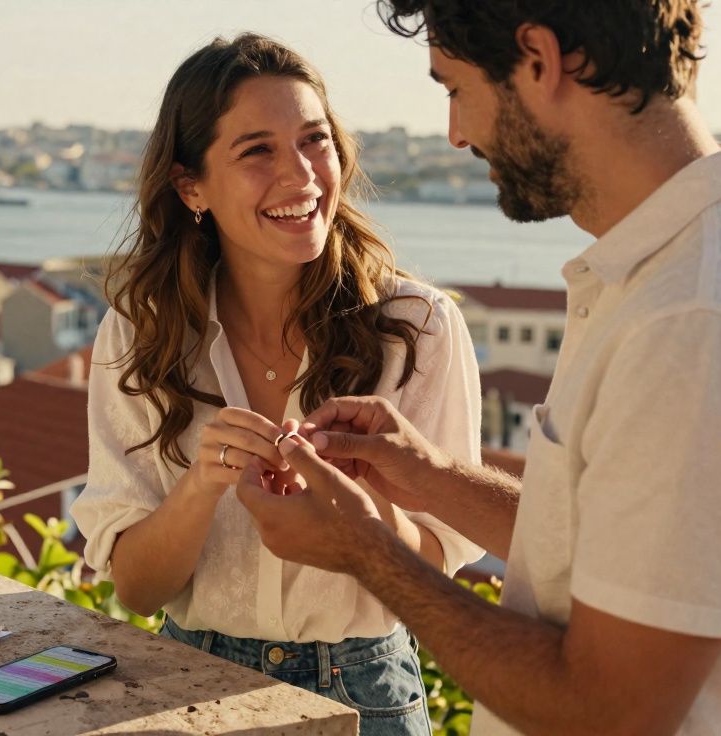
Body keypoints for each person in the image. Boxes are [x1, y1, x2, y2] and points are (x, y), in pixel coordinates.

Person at [235, 2, 721, 734]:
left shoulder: (697, 319)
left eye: (455, 89)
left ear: (539, 60)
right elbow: (614, 551)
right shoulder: (680, 274)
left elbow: (606, 711)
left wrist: (366, 552)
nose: (456, 133)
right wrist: (430, 473)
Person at [70, 33, 484, 734]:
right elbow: (137, 590)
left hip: (367, 695)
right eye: (257, 150)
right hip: (191, 684)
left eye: (314, 140)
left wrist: (363, 520)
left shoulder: (418, 327)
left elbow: (439, 565)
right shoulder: (140, 334)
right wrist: (201, 486)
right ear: (191, 187)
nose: (300, 174)